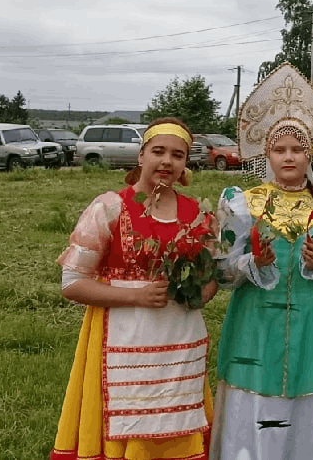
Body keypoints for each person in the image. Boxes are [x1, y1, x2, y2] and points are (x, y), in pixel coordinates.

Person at [211, 64, 313, 460]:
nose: (289, 156)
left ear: (311, 154)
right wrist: (250, 264)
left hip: (311, 323)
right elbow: (221, 273)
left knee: (304, 410)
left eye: (298, 149)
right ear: (266, 154)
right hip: (254, 324)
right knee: (256, 408)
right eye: (280, 149)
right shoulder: (243, 203)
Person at [52, 117, 217, 460]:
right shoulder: (110, 207)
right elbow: (72, 284)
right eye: (158, 151)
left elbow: (210, 278)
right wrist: (136, 296)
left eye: (178, 155)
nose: (167, 161)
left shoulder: (197, 213)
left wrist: (203, 292)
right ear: (141, 156)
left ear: (186, 163)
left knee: (176, 420)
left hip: (178, 344)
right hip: (121, 342)